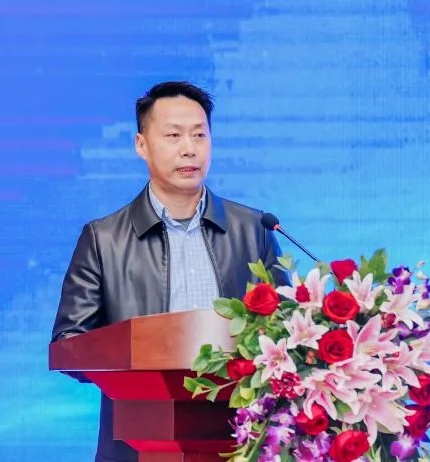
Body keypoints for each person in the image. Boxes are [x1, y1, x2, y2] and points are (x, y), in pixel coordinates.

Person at [50, 81, 289, 462]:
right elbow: (70, 342)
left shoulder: (254, 229)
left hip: (243, 441)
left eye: (199, 135)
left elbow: (285, 330)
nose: (189, 148)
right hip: (137, 445)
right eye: (173, 135)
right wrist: (137, 368)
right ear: (141, 144)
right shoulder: (103, 239)